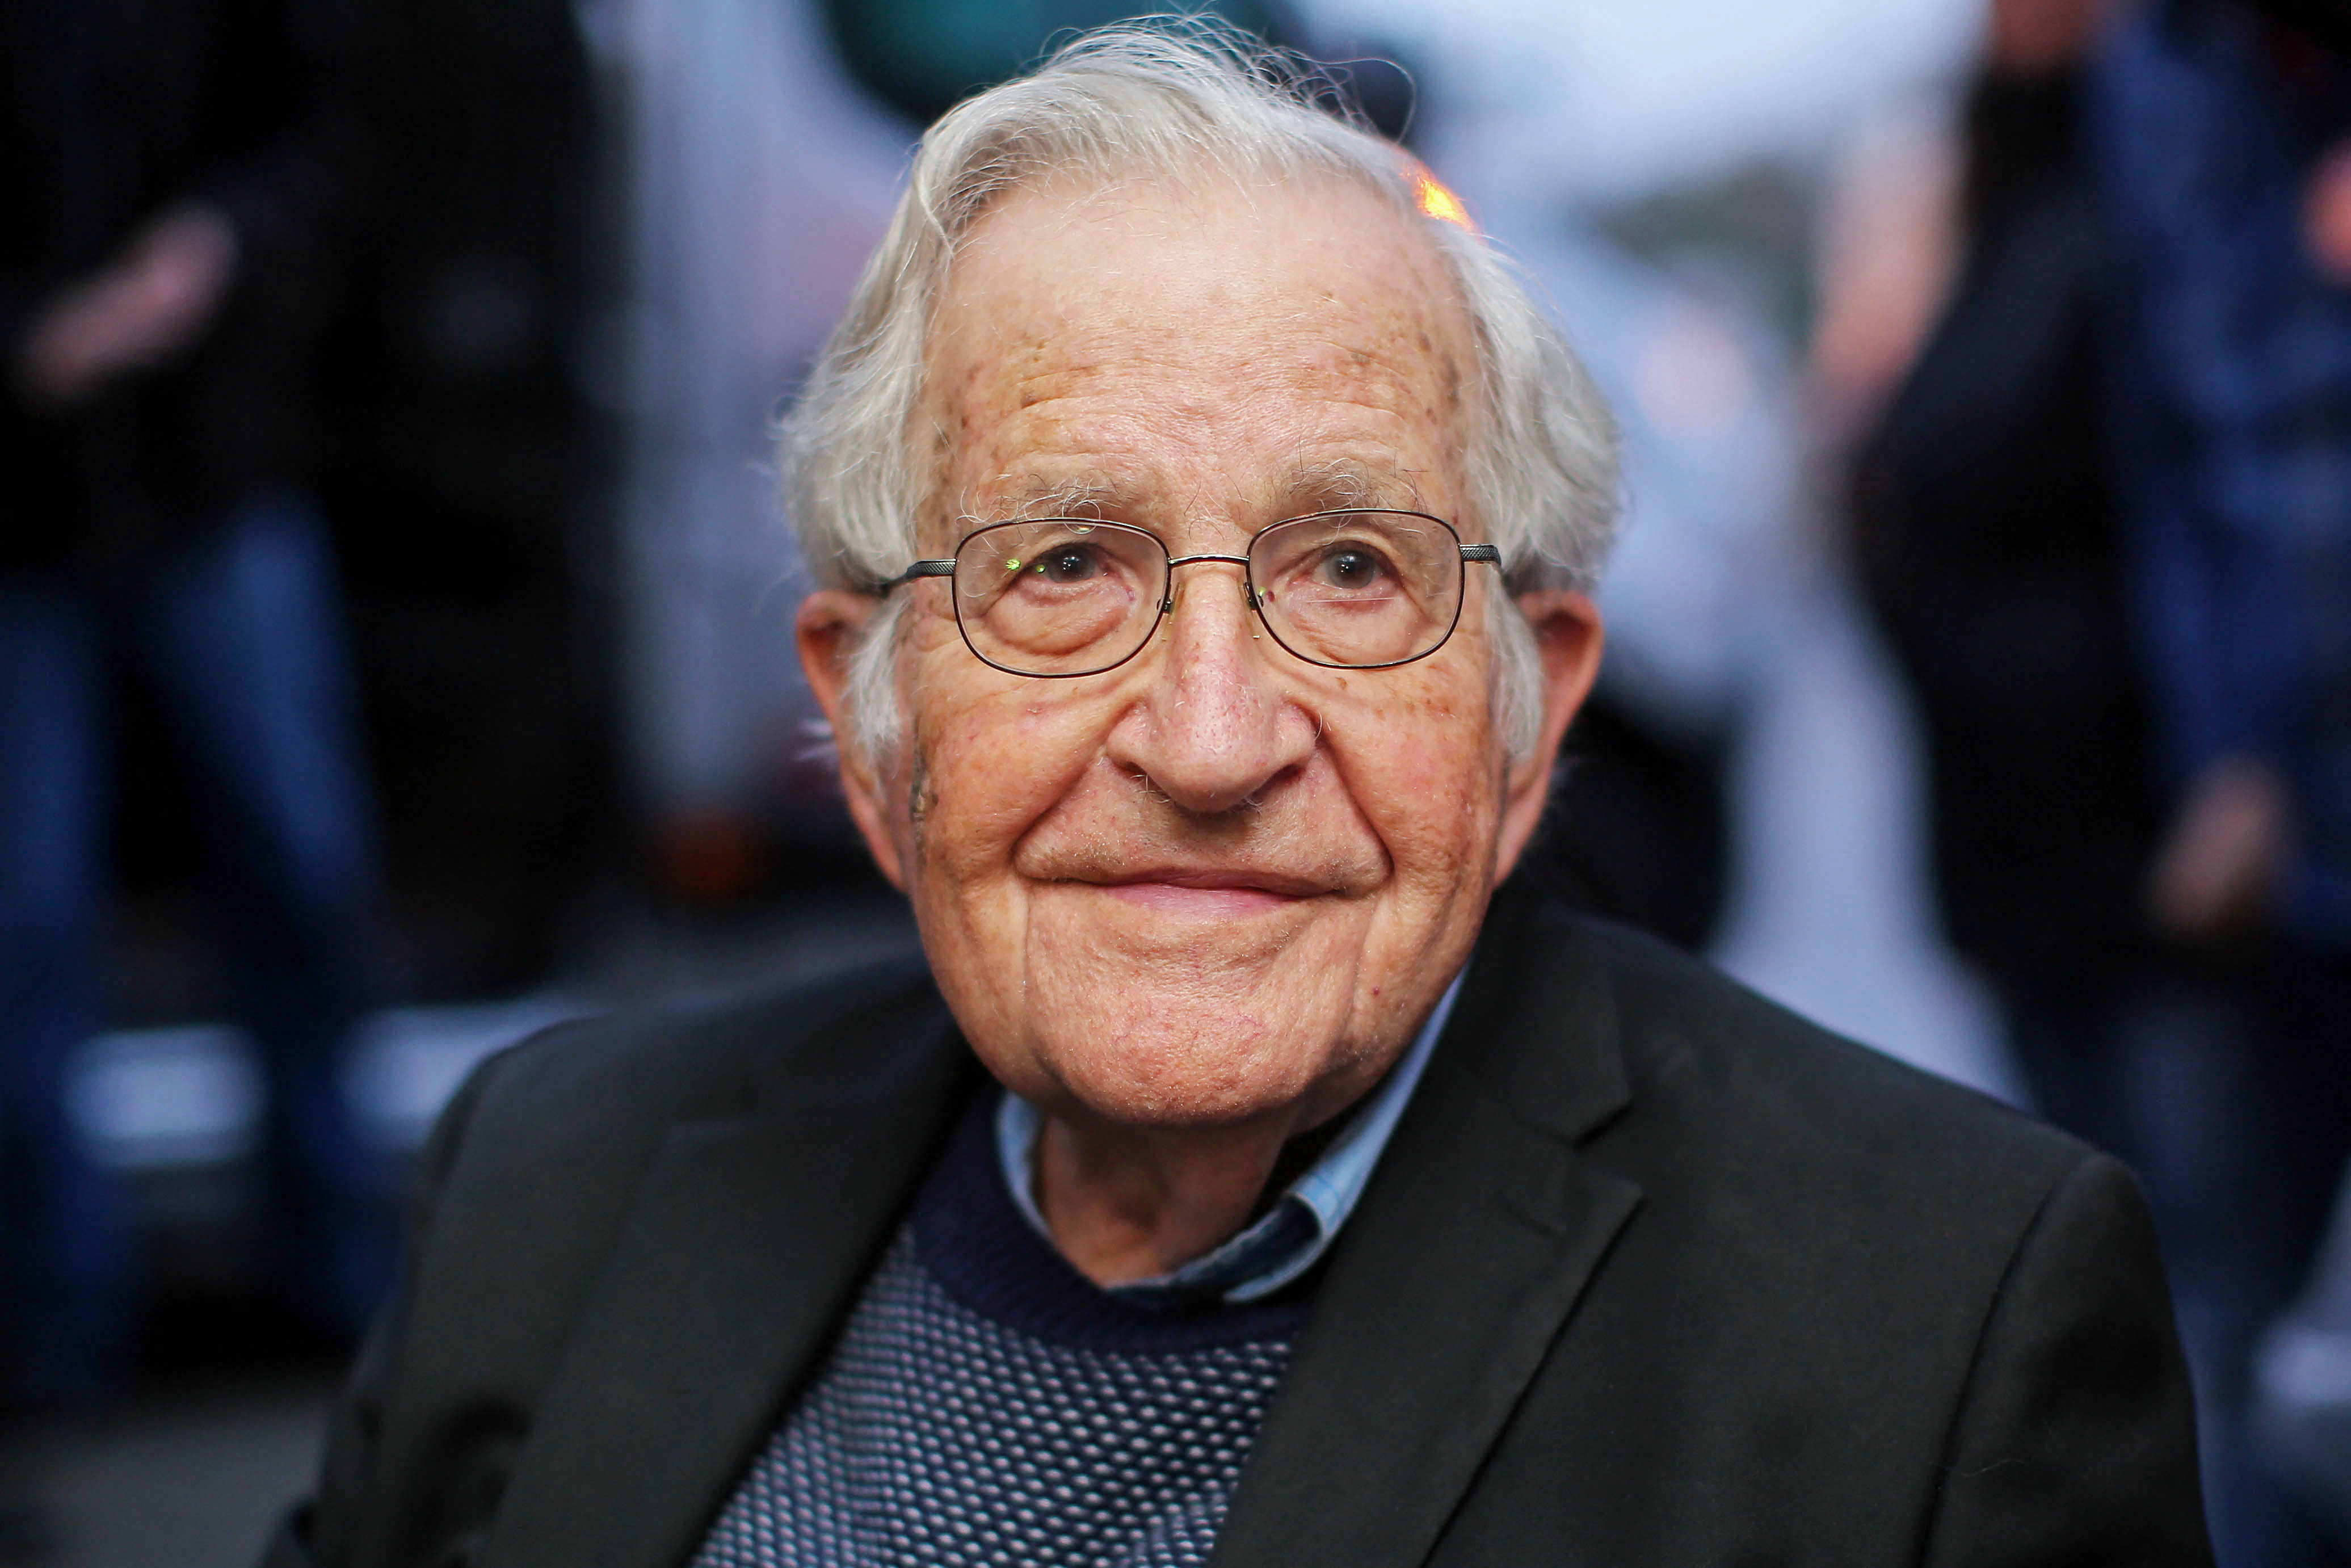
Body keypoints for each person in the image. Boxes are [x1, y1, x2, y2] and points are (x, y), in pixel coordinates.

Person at [267, 27, 2213, 1567]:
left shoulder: (1937, 1324)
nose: (1208, 741)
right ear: (868, 721)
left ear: (1529, 706)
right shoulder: (544, 1176)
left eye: (1352, 571)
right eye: (1060, 569)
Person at [0, 0, 398, 1402]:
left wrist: (210, 250)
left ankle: (350, 1284)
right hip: (24, 513)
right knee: (25, 926)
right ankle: (57, 1326)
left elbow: (325, 131)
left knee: (301, 871)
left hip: (208, 477)